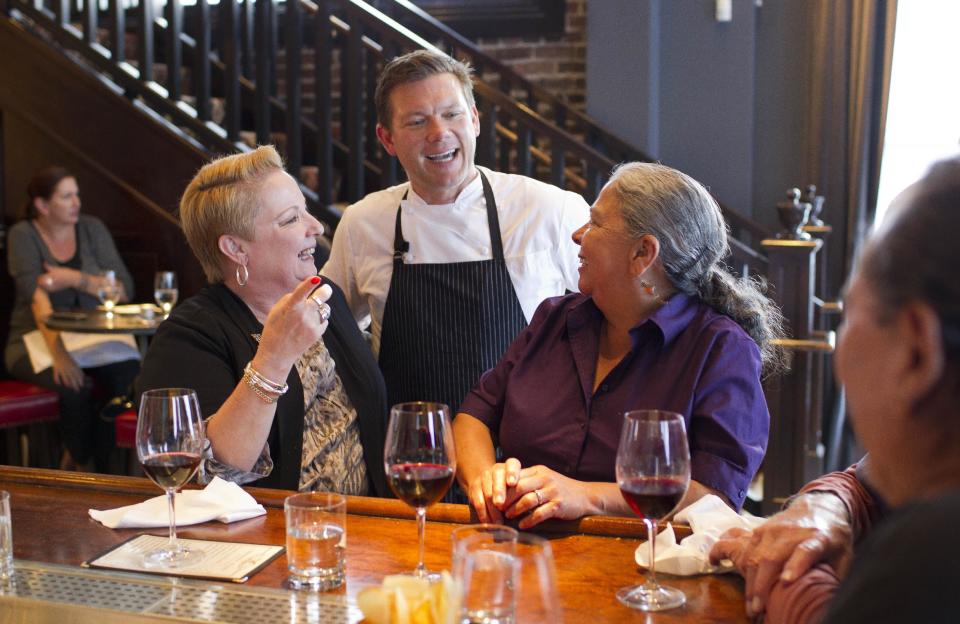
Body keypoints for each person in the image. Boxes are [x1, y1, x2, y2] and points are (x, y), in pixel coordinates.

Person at [454, 161, 787, 528]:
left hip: (647, 572)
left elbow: (716, 493)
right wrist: (486, 482)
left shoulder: (722, 349)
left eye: (596, 223)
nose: (578, 234)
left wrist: (585, 496)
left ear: (643, 253)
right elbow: (475, 414)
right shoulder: (554, 318)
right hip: (522, 556)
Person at [710, 156, 960, 623]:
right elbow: (860, 485)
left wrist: (784, 572)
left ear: (916, 353)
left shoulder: (931, 552)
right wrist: (823, 509)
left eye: (848, 317)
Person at [321, 49, 589, 416]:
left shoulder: (549, 209)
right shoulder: (363, 222)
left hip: (523, 457)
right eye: (417, 121)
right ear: (386, 139)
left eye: (452, 115)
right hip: (411, 455)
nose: (438, 133)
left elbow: (610, 319)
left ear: (475, 120)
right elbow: (328, 333)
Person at [135, 146, 389, 496]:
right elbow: (206, 477)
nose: (316, 226)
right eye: (290, 219)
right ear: (236, 249)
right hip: (269, 538)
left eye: (306, 212)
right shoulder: (188, 337)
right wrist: (274, 358)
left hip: (369, 526)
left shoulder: (323, 296)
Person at [5, 166, 138, 471]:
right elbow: (36, 296)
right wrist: (60, 355)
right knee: (74, 387)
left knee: (129, 374)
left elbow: (123, 290)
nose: (76, 202)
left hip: (91, 339)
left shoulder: (92, 229)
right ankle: (80, 464)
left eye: (77, 194)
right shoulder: (23, 235)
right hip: (34, 339)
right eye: (66, 196)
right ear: (42, 205)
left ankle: (103, 468)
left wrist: (72, 278)